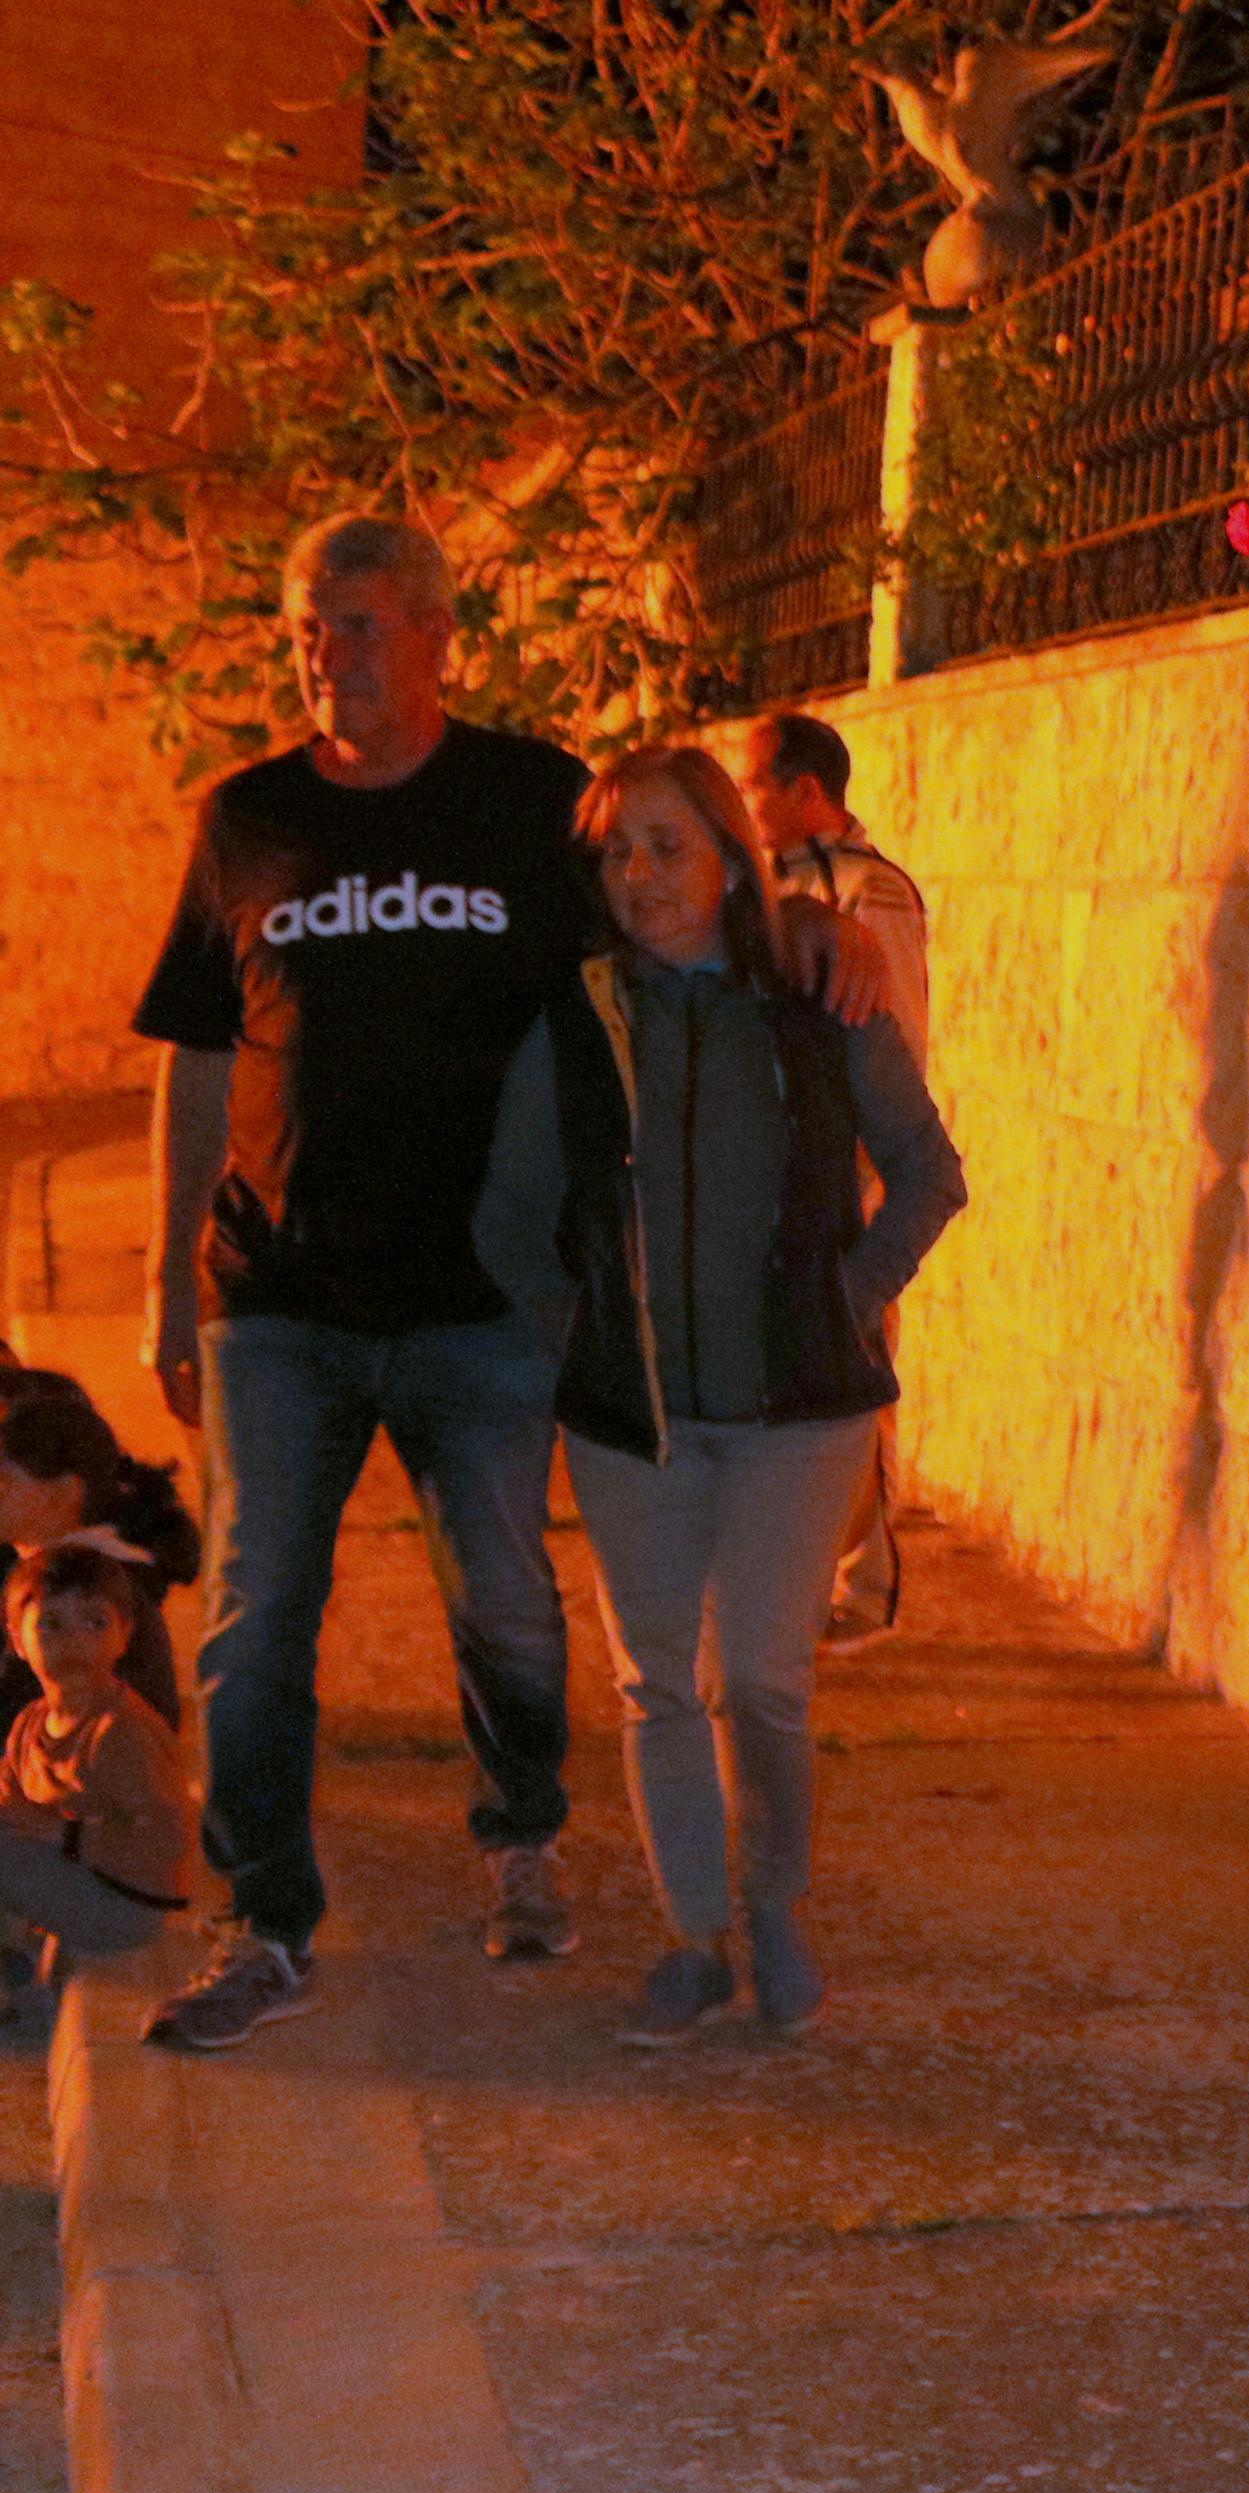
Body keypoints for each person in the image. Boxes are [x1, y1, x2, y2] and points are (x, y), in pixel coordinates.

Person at [133, 511, 889, 2056]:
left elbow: (665, 902)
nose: (327, 655)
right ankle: (264, 1916)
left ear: (434, 637)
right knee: (257, 1609)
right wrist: (167, 1282)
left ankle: (521, 1836)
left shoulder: (529, 803)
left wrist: (799, 915)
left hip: (485, 1301)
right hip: (276, 1292)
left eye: (356, 623)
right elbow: (199, 1060)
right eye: (306, 628)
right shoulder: (245, 821)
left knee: (508, 1604)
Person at [485, 746, 965, 2043]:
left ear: (727, 855)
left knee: (759, 1677)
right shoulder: (576, 1021)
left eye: (665, 843)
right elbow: (511, 1217)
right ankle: (693, 1939)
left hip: (800, 1416)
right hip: (633, 1420)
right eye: (616, 850)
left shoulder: (819, 994)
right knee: (655, 1682)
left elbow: (927, 1171)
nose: (638, 873)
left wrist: (846, 1297)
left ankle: (775, 1907)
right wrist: (582, 1336)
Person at [736, 711, 932, 1649]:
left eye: (755, 784)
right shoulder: (763, 887)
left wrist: (868, 1165)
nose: (744, 803)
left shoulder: (872, 892)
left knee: (853, 1358)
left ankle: (866, 1580)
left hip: (843, 1164)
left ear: (805, 791)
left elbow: (890, 1031)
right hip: (776, 1166)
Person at [0, 1542, 196, 2014]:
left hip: (125, 1907)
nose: (74, 1640)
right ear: (17, 1640)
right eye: (52, 1624)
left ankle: (18, 1967)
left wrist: (59, 1831)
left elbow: (167, 1839)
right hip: (81, 1882)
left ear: (124, 1635)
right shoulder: (32, 1721)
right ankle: (21, 1967)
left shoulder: (119, 1732)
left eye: (95, 1623)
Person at [0, 1371, 204, 1735]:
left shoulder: (75, 1584)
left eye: (4, 1481)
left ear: (62, 1494)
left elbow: (20, 1713)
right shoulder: (68, 1569)